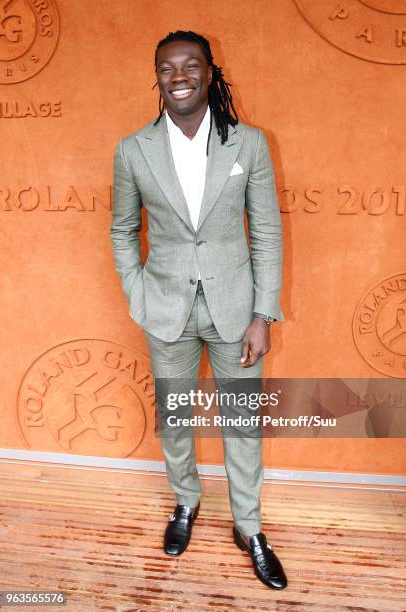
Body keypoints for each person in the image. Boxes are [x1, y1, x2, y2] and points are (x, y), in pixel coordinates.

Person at [110, 30, 287, 590]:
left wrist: (264, 312)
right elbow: (121, 230)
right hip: (166, 310)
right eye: (167, 67)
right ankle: (185, 502)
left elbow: (266, 231)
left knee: (242, 423)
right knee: (178, 419)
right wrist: (139, 292)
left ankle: (249, 527)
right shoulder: (132, 149)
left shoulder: (249, 144)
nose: (179, 76)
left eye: (191, 66)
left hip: (237, 308)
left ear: (210, 73)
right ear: (157, 76)